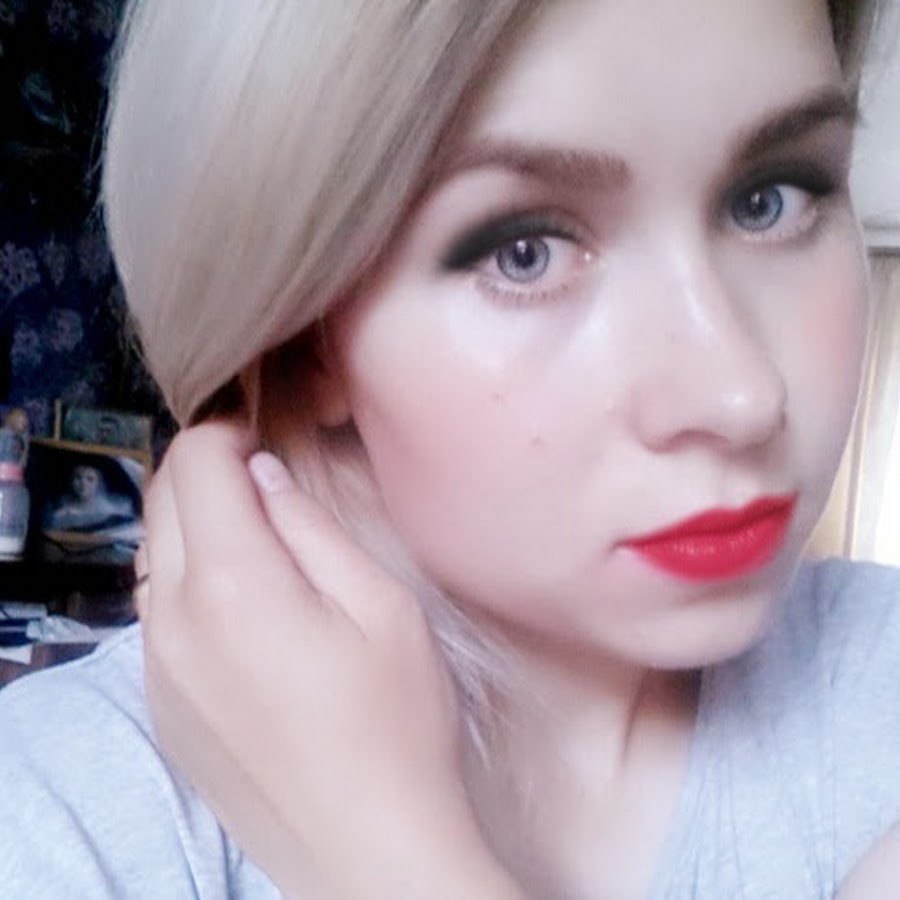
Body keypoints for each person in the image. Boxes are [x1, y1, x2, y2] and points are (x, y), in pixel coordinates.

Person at [0, 1, 896, 897]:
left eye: (770, 198)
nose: (740, 397)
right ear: (303, 335)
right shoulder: (60, 820)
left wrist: (384, 859)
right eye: (525, 252)